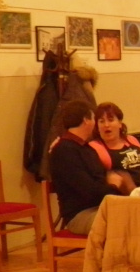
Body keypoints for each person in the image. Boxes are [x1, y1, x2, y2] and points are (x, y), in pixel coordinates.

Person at [49, 100, 130, 234]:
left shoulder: (87, 149)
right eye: (94, 118)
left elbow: (101, 180)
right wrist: (113, 186)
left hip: (100, 207)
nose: (95, 123)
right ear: (86, 120)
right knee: (123, 220)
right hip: (80, 215)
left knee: (139, 214)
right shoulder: (64, 150)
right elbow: (89, 191)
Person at [89, 102, 140, 187]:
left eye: (110, 120)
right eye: (102, 121)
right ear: (97, 126)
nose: (106, 125)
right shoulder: (95, 147)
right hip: (122, 192)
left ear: (120, 123)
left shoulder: (131, 140)